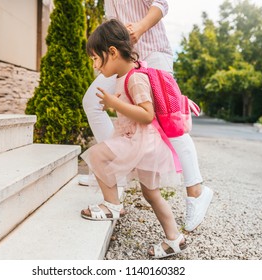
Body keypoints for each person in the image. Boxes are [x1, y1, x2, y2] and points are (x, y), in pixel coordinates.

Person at [80, 0, 213, 232]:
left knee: (168, 120)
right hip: (121, 56)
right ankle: (115, 169)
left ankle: (196, 191)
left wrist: (139, 28)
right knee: (92, 101)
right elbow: (112, 21)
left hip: (153, 52)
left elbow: (161, 3)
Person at [80, 19, 187, 259]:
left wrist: (114, 103)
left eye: (96, 58)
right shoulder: (126, 76)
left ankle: (112, 205)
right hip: (139, 141)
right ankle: (174, 238)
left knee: (98, 155)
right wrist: (115, 105)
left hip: (141, 142)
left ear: (113, 52)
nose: (95, 66)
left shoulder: (135, 78)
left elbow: (147, 114)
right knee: (151, 193)